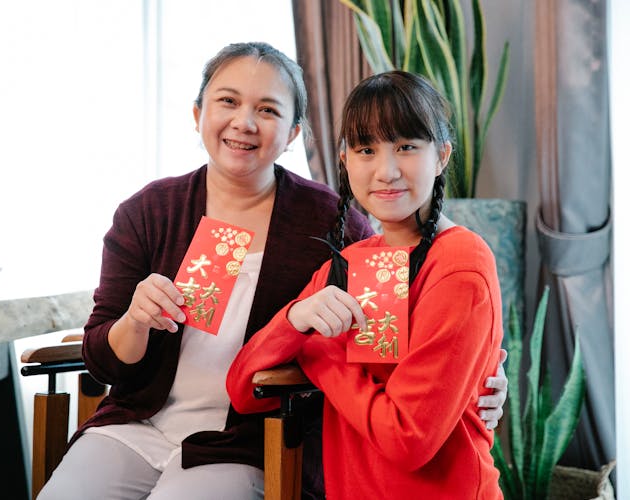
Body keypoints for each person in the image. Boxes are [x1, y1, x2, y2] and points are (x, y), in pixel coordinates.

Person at [38, 44, 506, 500]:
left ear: (293, 134)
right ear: (198, 114)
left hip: (252, 443)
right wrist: (136, 321)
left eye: (267, 109)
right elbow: (116, 356)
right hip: (138, 426)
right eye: (227, 101)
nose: (244, 122)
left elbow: (419, 374)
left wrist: (481, 382)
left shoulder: (334, 224)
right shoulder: (149, 212)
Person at [227, 70, 505, 499]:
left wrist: (320, 358)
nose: (386, 170)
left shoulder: (460, 265)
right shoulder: (353, 262)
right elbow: (245, 390)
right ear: (345, 159)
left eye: (407, 147)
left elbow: (408, 438)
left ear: (442, 155)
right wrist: (295, 319)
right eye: (366, 149)